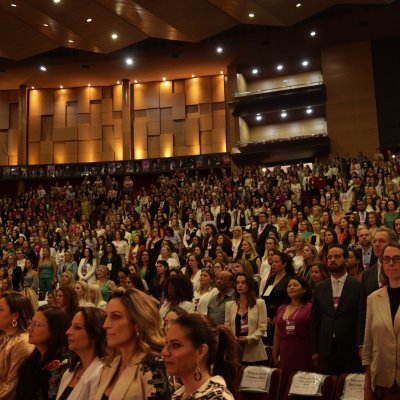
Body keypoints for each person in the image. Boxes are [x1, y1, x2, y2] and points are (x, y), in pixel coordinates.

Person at [94, 287, 171, 400]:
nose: (106, 324)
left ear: (138, 323)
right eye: (107, 316)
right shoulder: (111, 363)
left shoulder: (154, 367)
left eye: (115, 317)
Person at [162, 313, 241, 399]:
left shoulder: (218, 397)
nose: (165, 352)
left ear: (201, 351)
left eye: (175, 345)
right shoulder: (178, 395)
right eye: (166, 344)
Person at [310, 244, 362, 375]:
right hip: (326, 349)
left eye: (337, 256)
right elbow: (314, 321)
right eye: (330, 257)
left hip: (350, 349)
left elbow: (362, 319)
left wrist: (361, 346)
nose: (332, 260)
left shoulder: (358, 286)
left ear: (345, 260)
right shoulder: (320, 288)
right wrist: (315, 350)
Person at [363, 243, 400, 400]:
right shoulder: (373, 298)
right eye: (386, 259)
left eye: (396, 259)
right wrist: (367, 382)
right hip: (382, 379)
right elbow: (368, 342)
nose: (391, 263)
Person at [16, 305, 70, 400]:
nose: (29, 328)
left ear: (54, 330)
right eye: (31, 323)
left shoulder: (61, 365)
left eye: (37, 324)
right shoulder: (33, 360)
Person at [273, 277, 313, 396]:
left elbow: (315, 332)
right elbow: (277, 333)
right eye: (289, 285)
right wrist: (275, 354)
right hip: (285, 352)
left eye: (295, 285)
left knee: (300, 386)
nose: (291, 287)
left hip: (303, 351)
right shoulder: (281, 308)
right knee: (285, 383)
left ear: (304, 289)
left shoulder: (310, 307)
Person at [57, 307, 108, 400]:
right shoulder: (70, 371)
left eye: (77, 327)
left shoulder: (101, 373)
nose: (68, 332)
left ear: (95, 335)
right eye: (71, 326)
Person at [225, 272, 268, 363]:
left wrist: (249, 339)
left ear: (249, 284)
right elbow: (227, 326)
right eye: (237, 283)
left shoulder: (260, 303)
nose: (240, 285)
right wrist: (233, 339)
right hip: (235, 350)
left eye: (243, 282)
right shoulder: (229, 305)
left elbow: (262, 328)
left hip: (254, 351)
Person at [0, 292, 35, 399]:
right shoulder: (5, 336)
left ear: (15, 315)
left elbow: (12, 386)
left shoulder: (23, 342)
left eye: (0, 310)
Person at [261, 251, 294, 344]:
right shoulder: (271, 278)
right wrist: (265, 315)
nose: (273, 264)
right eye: (272, 262)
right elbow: (264, 297)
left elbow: (289, 300)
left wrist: (278, 315)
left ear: (284, 264)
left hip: (283, 315)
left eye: (276, 262)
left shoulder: (290, 279)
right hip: (268, 316)